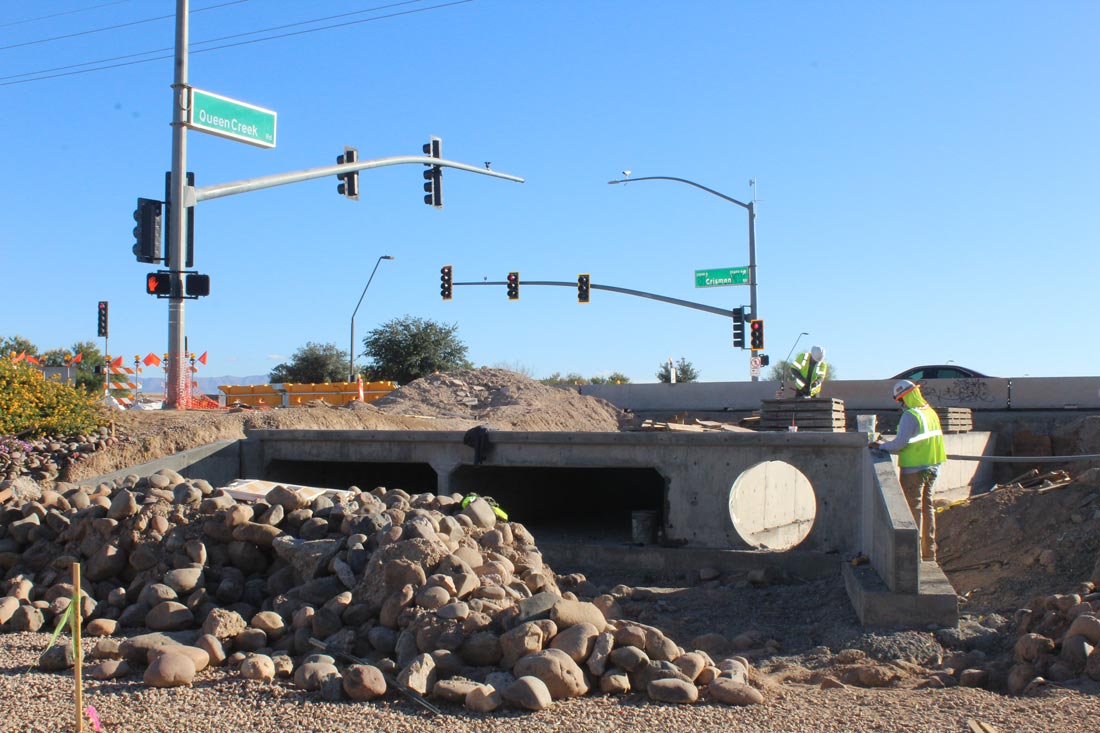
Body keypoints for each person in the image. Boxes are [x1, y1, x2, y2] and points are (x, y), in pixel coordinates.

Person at [870, 379, 946, 561]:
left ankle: (913, 555)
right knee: (927, 507)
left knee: (913, 509)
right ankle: (929, 553)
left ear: (905, 397)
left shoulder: (910, 416)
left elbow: (900, 444)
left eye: (901, 400)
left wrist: (881, 446)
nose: (901, 404)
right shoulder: (930, 412)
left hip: (915, 470)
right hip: (933, 466)